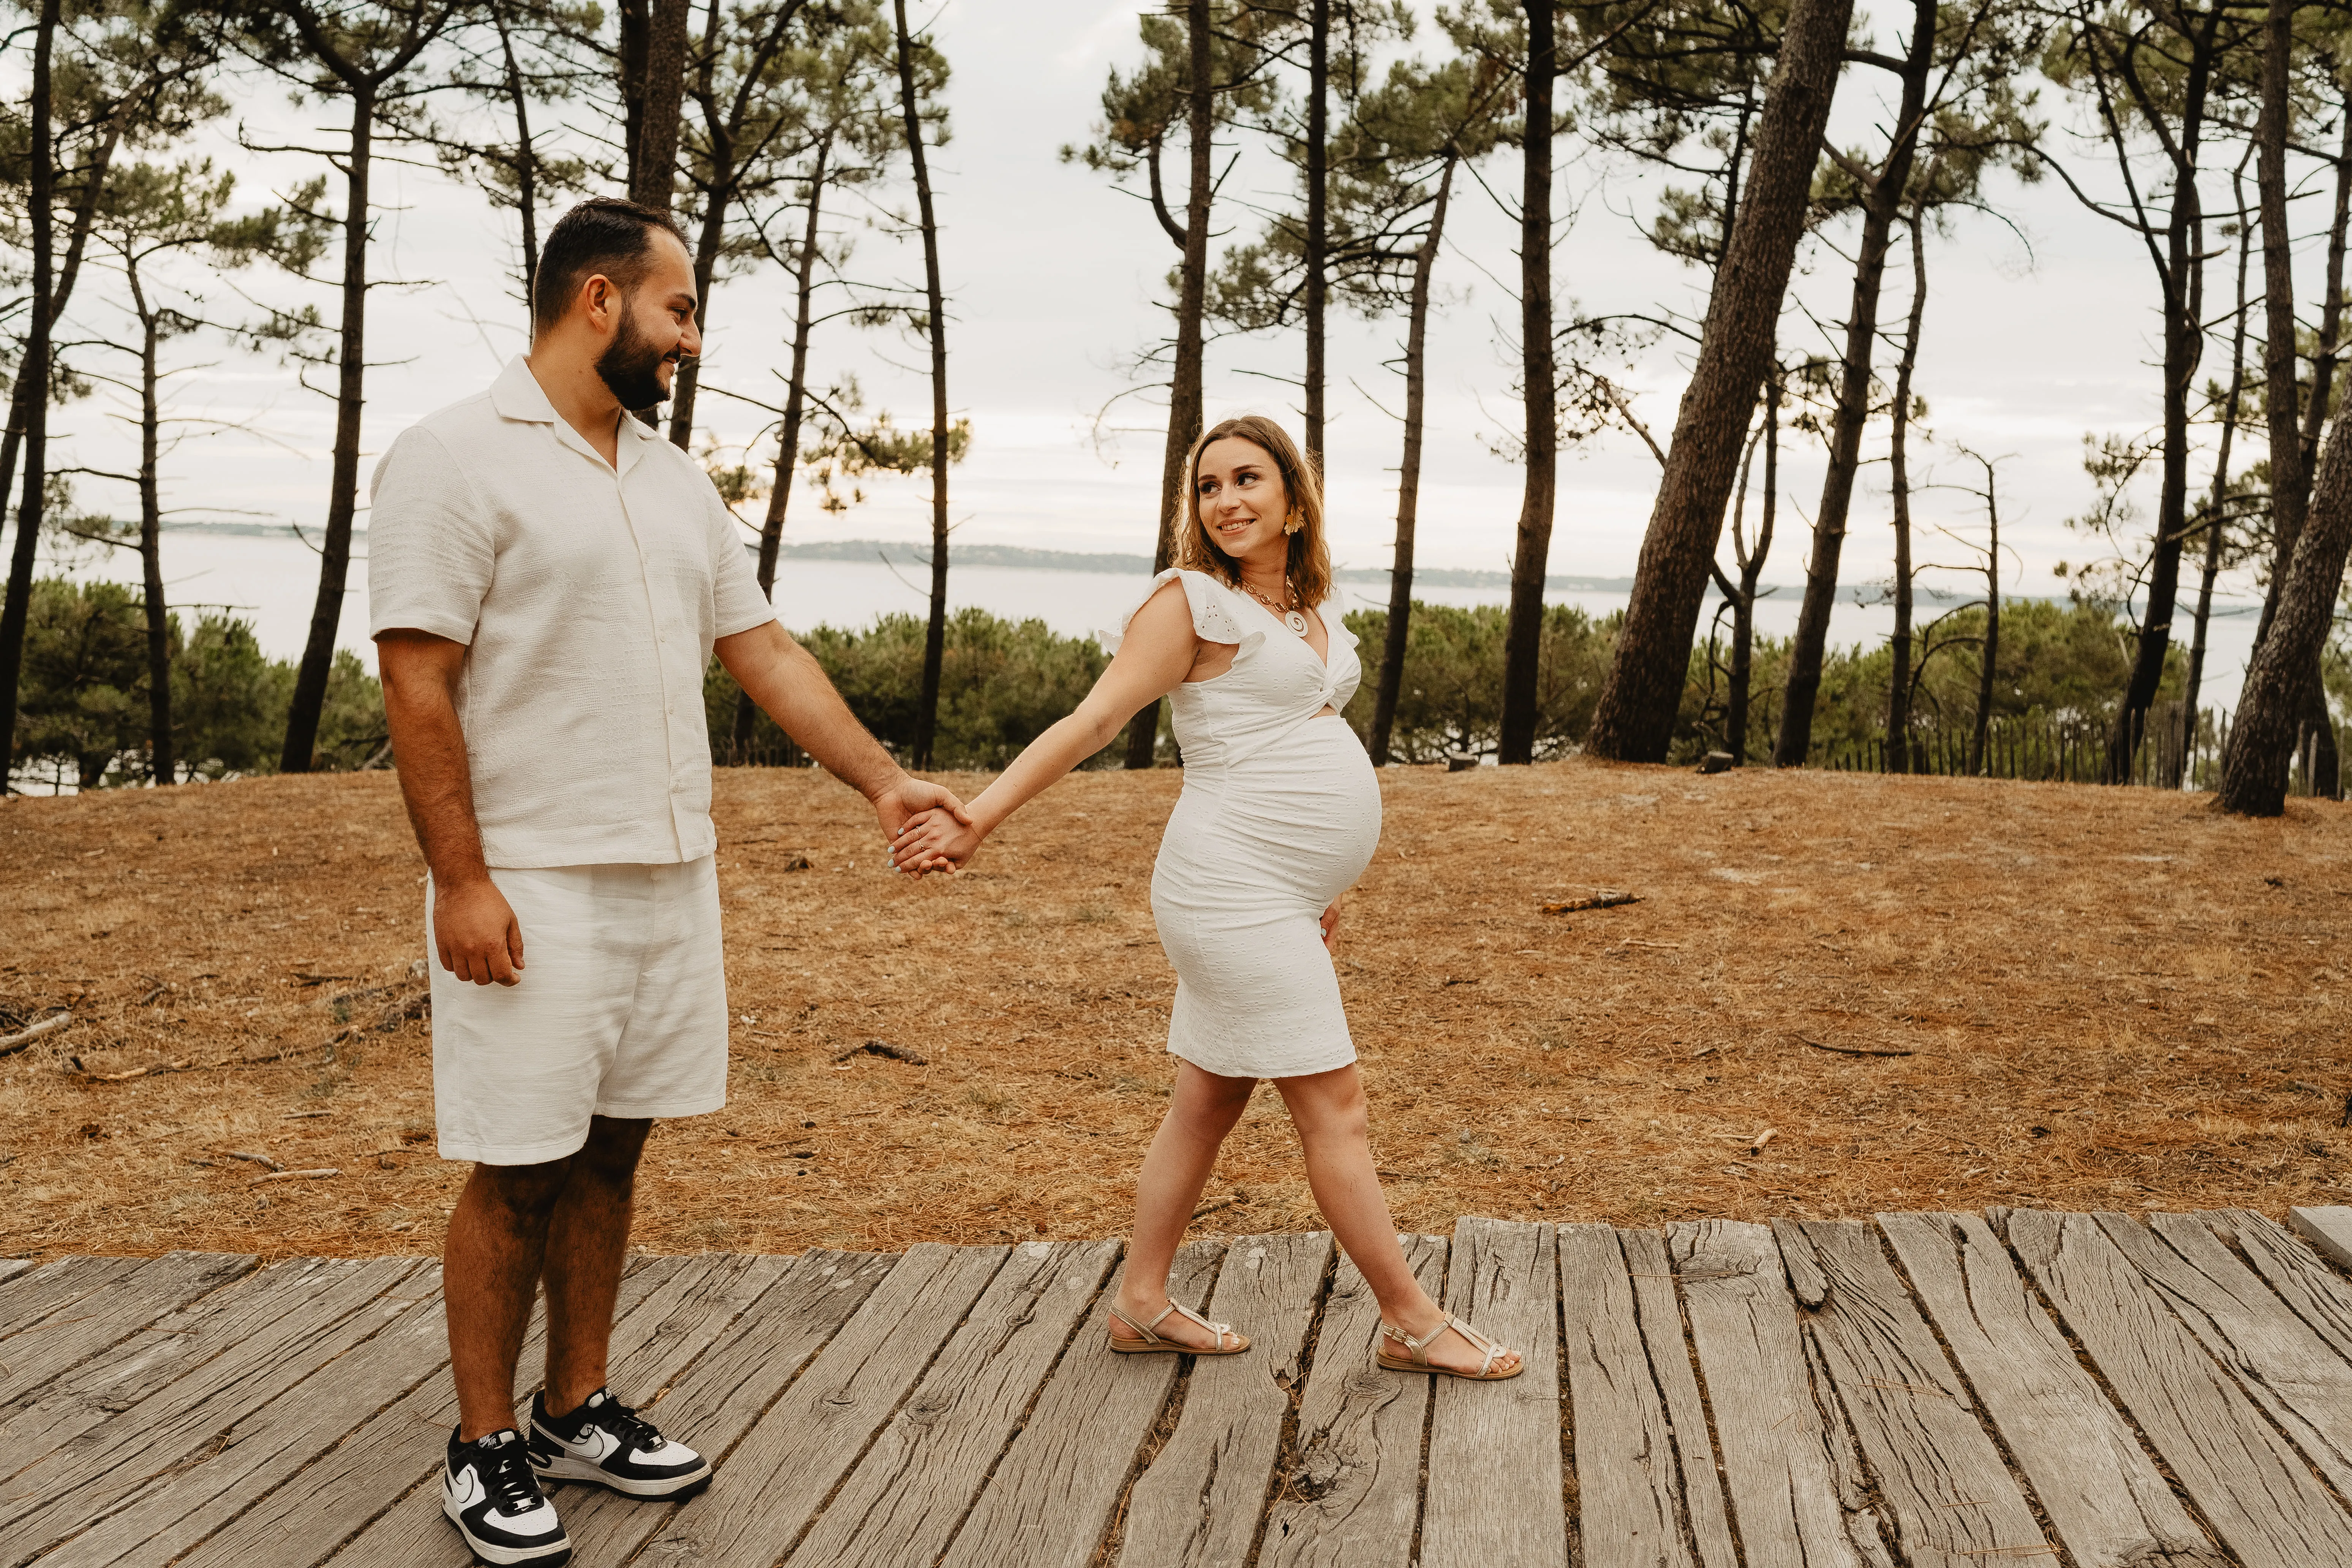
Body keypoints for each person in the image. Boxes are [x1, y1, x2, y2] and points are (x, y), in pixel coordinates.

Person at [371, 196, 967, 1568]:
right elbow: (416, 679)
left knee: (613, 1149)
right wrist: (461, 879)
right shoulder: (452, 456)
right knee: (517, 1165)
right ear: (601, 299)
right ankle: (482, 1444)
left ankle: (573, 1405)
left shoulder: (672, 477)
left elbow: (762, 649)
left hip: (669, 873)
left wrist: (884, 782)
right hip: (532, 879)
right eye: (679, 310)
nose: (691, 339)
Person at [888, 414, 1521, 1382]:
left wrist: (1321, 883)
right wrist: (978, 818)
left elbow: (1290, 743)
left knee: (1207, 1101)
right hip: (1229, 887)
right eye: (1208, 486)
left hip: (1280, 891)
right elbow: (1094, 720)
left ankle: (1141, 1304)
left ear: (1294, 499)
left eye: (1247, 479)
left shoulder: (1305, 610)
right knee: (1336, 1106)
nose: (1226, 500)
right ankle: (1412, 1321)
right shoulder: (1190, 603)